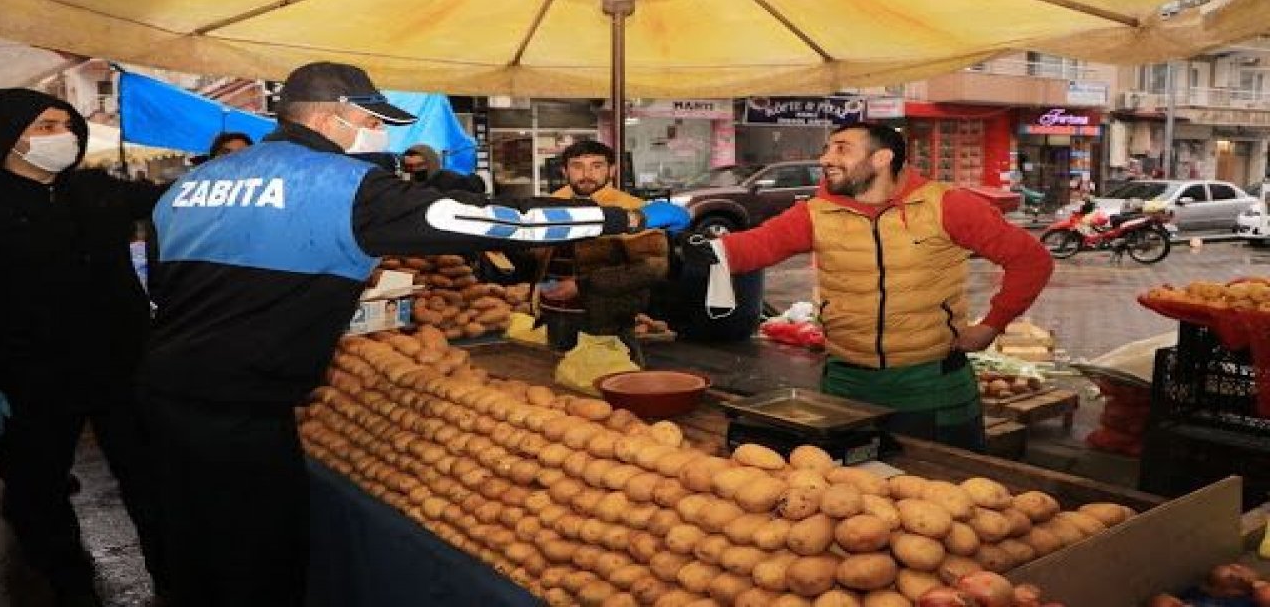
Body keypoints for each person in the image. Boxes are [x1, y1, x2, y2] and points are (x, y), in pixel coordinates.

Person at [136, 61, 689, 607]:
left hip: (162, 390)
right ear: (334, 118)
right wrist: (629, 219)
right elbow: (501, 220)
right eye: (374, 121)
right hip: (244, 408)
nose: (382, 134)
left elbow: (163, 288)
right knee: (260, 560)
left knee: (191, 548)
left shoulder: (192, 184)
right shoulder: (345, 184)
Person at [680, 123, 1053, 450]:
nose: (826, 158)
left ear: (881, 158)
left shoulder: (947, 206)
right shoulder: (816, 213)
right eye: (826, 149)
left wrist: (991, 326)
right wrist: (683, 245)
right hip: (847, 382)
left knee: (946, 490)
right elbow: (753, 247)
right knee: (854, 498)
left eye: (841, 149)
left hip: (931, 384)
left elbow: (1031, 260)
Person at [0, 88, 168, 607]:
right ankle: (72, 590)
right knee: (37, 494)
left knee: (151, 483)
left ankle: (174, 582)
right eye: (44, 127)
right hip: (28, 378)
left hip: (121, 366)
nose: (62, 136)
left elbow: (171, 200)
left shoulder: (95, 191)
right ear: (6, 135)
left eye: (66, 124)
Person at [536, 141, 670, 365]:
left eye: (596, 166)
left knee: (614, 388)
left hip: (608, 324)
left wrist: (582, 285)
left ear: (612, 170)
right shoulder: (549, 205)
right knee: (558, 393)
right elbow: (537, 256)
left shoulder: (632, 211)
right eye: (577, 166)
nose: (586, 174)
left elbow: (652, 269)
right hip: (553, 318)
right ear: (564, 171)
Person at [401, 143, 486, 193]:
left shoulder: (449, 181)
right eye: (410, 167)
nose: (415, 169)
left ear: (431, 163)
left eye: (420, 165)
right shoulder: (406, 188)